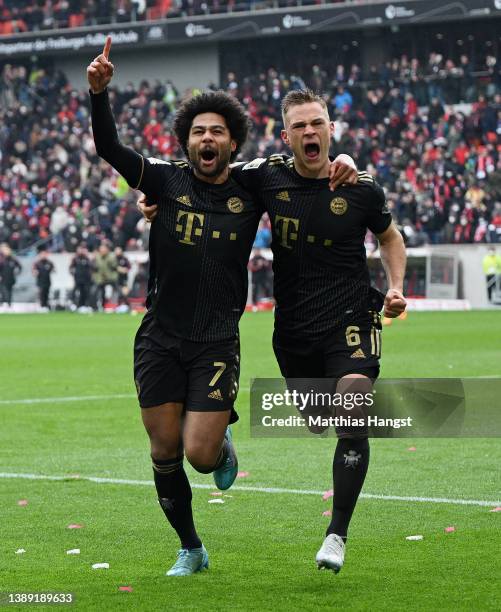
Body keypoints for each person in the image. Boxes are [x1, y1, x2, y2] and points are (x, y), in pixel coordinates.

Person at [89, 38, 356, 577]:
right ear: (186, 141)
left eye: (216, 131)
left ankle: (220, 438)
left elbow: (305, 165)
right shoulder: (164, 179)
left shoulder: (253, 184)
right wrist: (99, 95)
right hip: (160, 336)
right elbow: (109, 148)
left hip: (215, 340)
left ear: (232, 142)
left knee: (200, 457)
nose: (206, 138)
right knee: (163, 449)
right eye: (197, 131)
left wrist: (344, 158)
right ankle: (191, 547)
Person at [139, 89, 406, 575]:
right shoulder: (265, 176)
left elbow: (389, 236)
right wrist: (157, 200)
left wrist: (396, 287)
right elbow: (208, 175)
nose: (310, 132)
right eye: (300, 126)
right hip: (295, 329)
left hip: (351, 319)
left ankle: (337, 535)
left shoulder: (361, 186)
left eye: (318, 124)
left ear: (331, 129)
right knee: (319, 420)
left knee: (352, 412)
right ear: (286, 136)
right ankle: (221, 461)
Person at [92, 242, 118, 310]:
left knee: (117, 291)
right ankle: (96, 307)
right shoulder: (97, 257)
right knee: (95, 292)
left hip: (110, 278)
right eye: (101, 249)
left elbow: (114, 267)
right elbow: (94, 268)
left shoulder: (111, 257)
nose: (102, 250)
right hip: (100, 279)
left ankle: (117, 306)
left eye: (103, 249)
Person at [69, 244, 93, 309]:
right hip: (78, 279)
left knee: (85, 292)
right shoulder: (75, 259)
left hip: (86, 279)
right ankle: (73, 304)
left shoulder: (87, 259)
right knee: (75, 291)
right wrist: (74, 273)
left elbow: (91, 268)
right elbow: (71, 268)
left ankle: (83, 305)